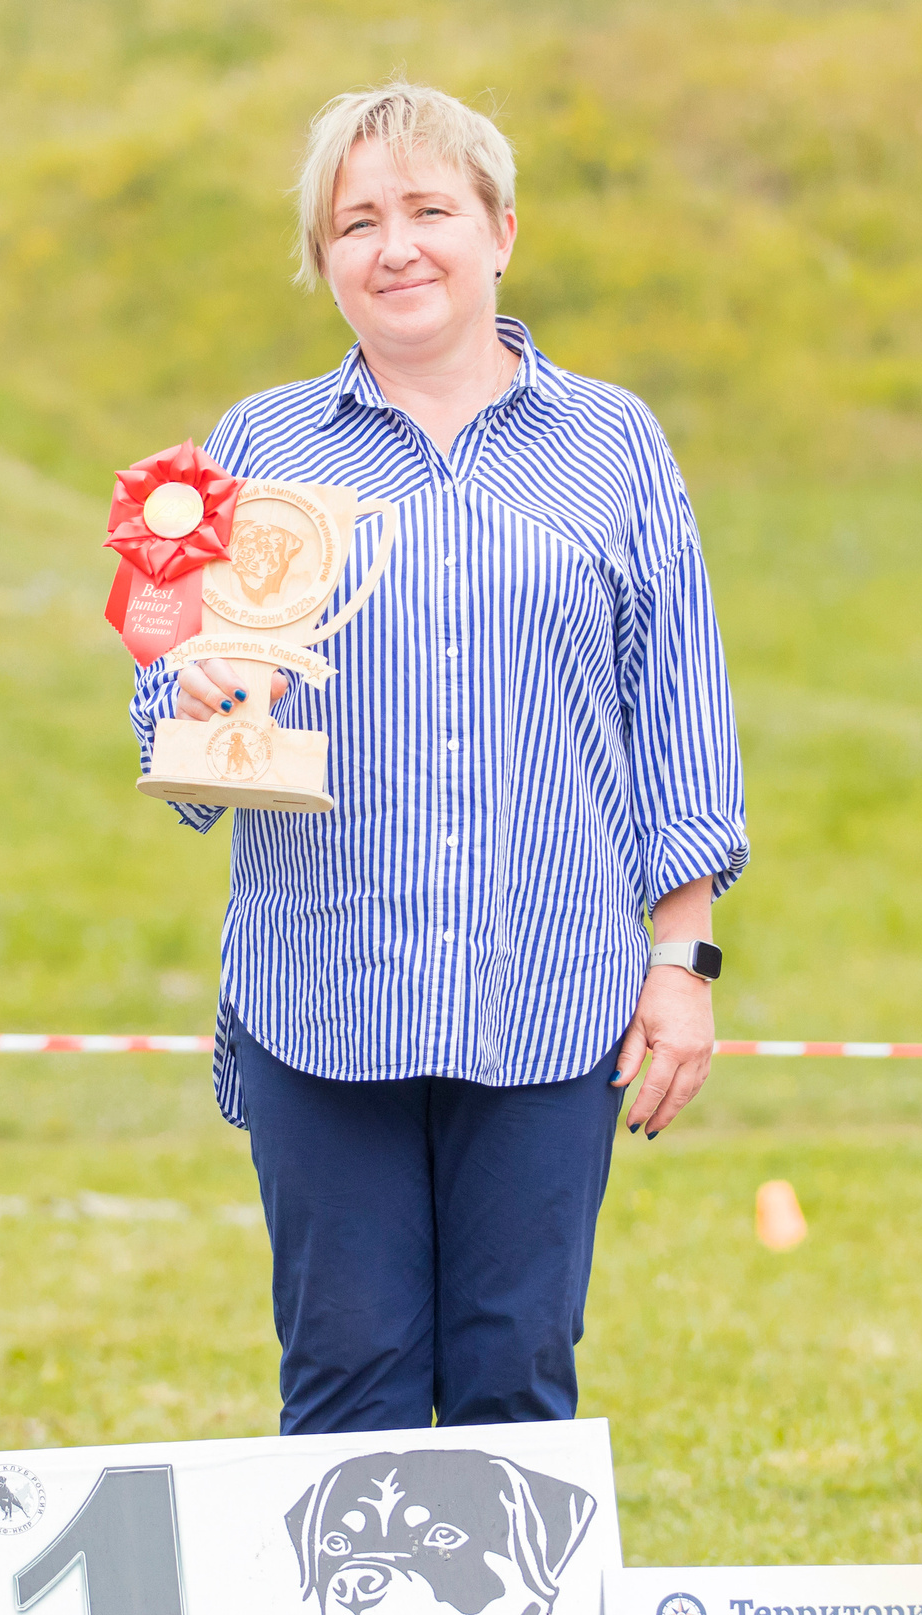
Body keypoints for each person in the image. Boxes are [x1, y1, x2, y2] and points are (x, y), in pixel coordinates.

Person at [128, 83, 748, 1438]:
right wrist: (192, 686)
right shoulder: (259, 448)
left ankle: (514, 1598)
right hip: (321, 995)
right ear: (324, 258)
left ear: (500, 230)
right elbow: (170, 694)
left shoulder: (614, 444)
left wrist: (683, 963)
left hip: (548, 995)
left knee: (515, 1377)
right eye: (358, 222)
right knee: (345, 1378)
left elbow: (678, 711)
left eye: (428, 210)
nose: (395, 247)